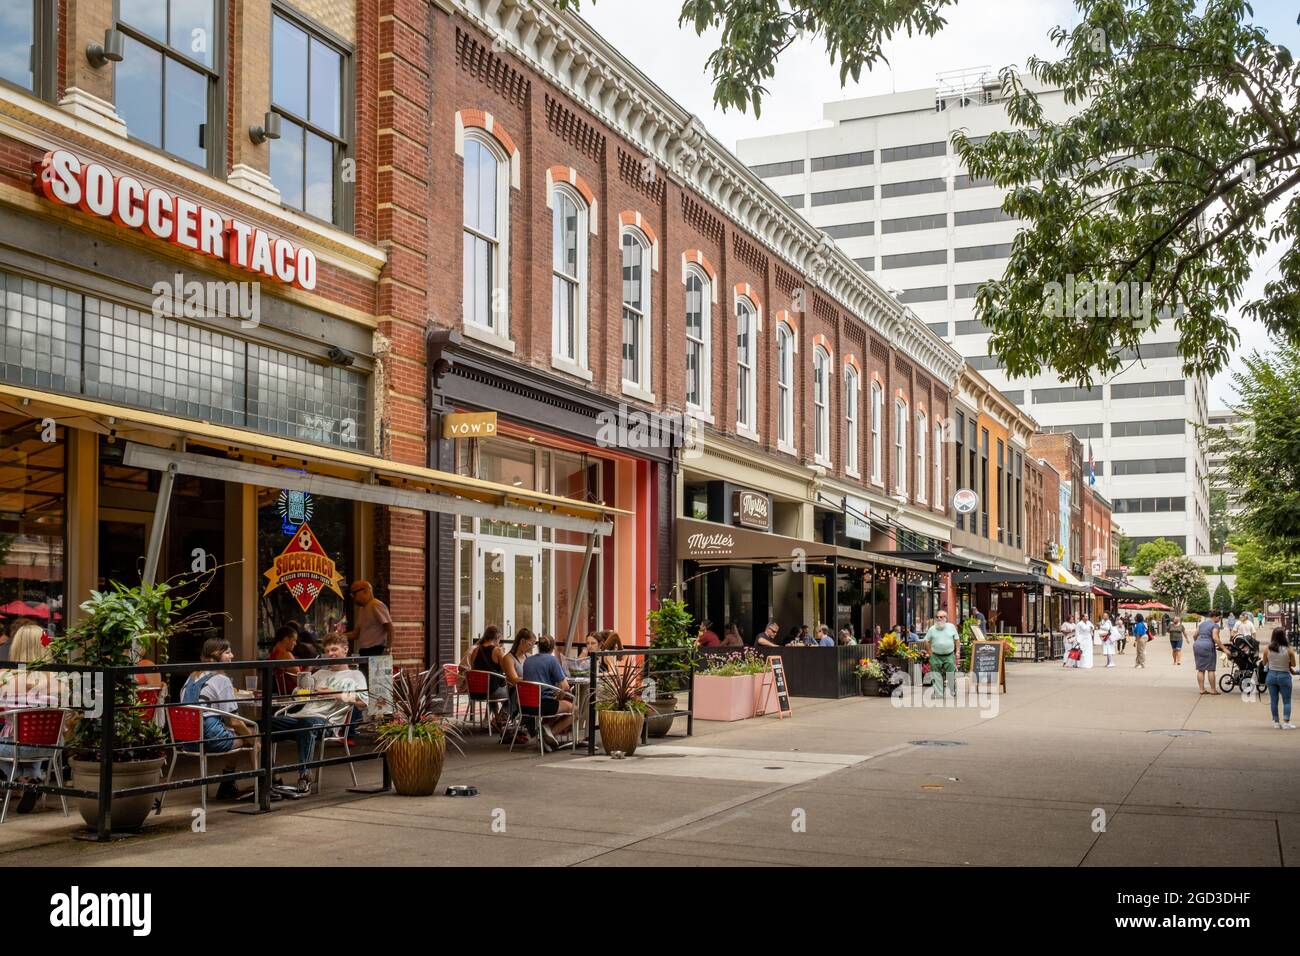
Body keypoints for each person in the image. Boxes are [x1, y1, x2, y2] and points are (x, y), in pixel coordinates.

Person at [177, 638, 260, 800]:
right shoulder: (222, 679)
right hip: (209, 737)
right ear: (216, 655)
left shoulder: (192, 677)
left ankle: (228, 785)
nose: (232, 655)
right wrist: (253, 739)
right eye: (228, 652)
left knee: (238, 733)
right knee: (253, 733)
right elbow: (234, 721)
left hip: (187, 739)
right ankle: (263, 785)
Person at [521, 635, 573, 750]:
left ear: (538, 646)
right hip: (543, 705)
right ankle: (548, 735)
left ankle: (546, 732)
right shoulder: (552, 660)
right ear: (552, 647)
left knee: (556, 705)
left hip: (526, 705)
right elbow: (565, 686)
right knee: (575, 710)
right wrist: (559, 697)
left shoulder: (528, 661)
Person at [341, 580, 393, 656]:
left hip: (376, 650)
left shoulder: (376, 605)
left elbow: (390, 629)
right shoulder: (362, 609)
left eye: (354, 594)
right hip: (364, 651)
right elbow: (356, 634)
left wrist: (388, 649)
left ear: (365, 591)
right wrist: (337, 636)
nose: (353, 597)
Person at [1261, 629, 1297, 729]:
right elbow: (1293, 664)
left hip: (1271, 676)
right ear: (1284, 636)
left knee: (1274, 700)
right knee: (1287, 700)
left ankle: (1276, 722)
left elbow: (1264, 663)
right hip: (1284, 676)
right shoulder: (1289, 649)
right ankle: (1286, 722)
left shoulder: (1267, 648)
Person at [924, 610, 960, 698]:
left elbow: (957, 640)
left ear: (946, 618)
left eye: (941, 617)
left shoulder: (951, 627)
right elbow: (926, 641)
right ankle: (939, 694)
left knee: (950, 674)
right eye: (937, 617)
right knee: (936, 675)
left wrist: (957, 651)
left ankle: (952, 690)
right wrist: (930, 653)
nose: (939, 619)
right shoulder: (932, 629)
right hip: (935, 655)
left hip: (949, 655)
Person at [1194, 611, 1228, 695]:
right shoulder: (1215, 625)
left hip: (1197, 644)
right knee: (1210, 668)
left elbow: (1194, 635)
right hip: (1208, 646)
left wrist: (1199, 642)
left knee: (1200, 669)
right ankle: (1213, 690)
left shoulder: (1201, 624)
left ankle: (1202, 689)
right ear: (1215, 617)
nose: (1219, 620)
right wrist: (1224, 648)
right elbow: (1215, 638)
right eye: (1219, 618)